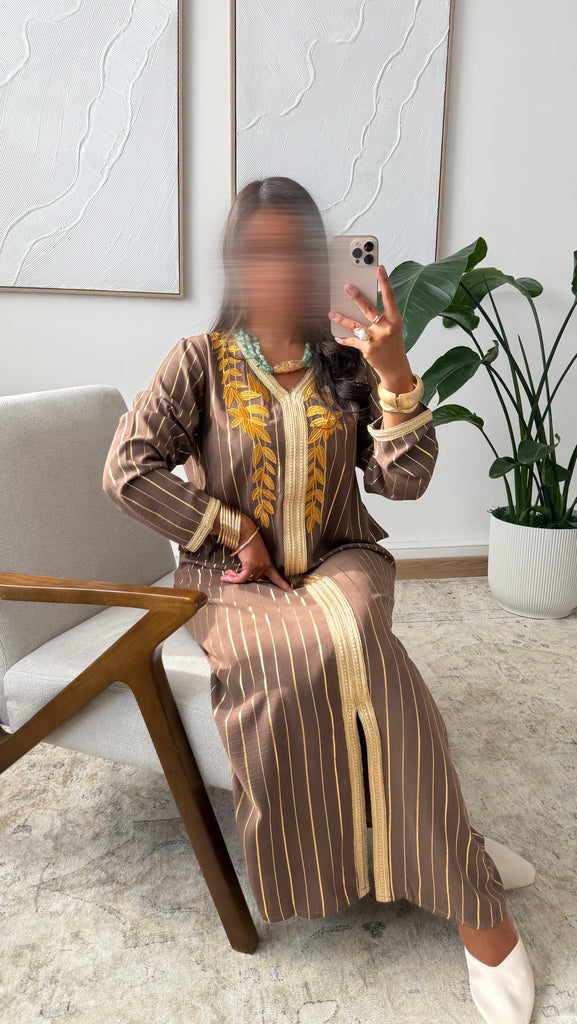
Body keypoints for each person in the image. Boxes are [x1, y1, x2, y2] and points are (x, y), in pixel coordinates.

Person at [102, 176, 535, 1023]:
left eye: (294, 250)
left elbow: (402, 483)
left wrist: (394, 370)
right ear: (235, 261)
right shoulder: (198, 361)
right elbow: (126, 471)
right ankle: (438, 851)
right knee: (309, 655)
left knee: (354, 638)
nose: (278, 268)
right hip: (232, 582)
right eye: (258, 250)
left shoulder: (348, 363)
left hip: (341, 559)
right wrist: (230, 527)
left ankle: (468, 894)